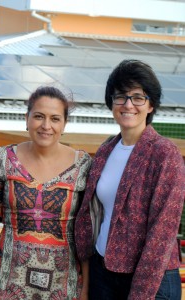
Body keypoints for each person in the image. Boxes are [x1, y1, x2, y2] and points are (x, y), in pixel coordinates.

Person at [75, 59, 185, 300]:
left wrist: (141, 293)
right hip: (103, 270)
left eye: (138, 97)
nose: (128, 104)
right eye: (120, 96)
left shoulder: (165, 154)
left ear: (151, 105)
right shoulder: (106, 150)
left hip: (151, 280)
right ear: (111, 103)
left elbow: (162, 233)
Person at [0, 86, 92, 299]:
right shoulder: (4, 158)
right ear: (26, 118)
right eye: (39, 116)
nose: (46, 126)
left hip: (64, 282)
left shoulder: (83, 165)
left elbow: (86, 232)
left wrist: (86, 289)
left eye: (55, 119)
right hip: (9, 280)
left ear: (64, 124)